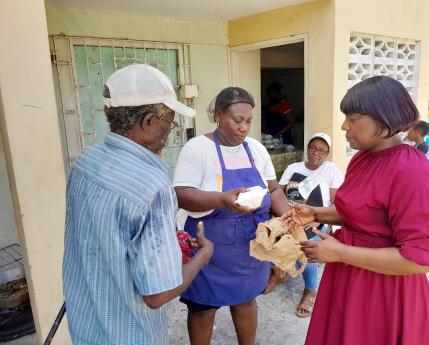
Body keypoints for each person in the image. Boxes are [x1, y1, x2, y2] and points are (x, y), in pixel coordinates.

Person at [281, 76, 429, 345]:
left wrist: (341, 252)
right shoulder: (362, 159)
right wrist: (317, 213)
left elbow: (420, 259)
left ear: (384, 120)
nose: (345, 127)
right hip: (347, 274)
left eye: (353, 118)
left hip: (384, 288)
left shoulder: (412, 171)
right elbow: (362, 214)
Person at [63, 64, 214, 345]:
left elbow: (106, 239)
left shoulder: (85, 162)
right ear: (147, 121)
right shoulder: (152, 186)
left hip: (85, 323)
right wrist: (202, 257)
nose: (170, 130)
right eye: (169, 121)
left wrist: (169, 244)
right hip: (129, 333)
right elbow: (157, 295)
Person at [173, 87, 289, 345]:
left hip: (250, 245)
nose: (244, 127)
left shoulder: (256, 150)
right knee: (202, 307)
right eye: (237, 120)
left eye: (248, 121)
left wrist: (290, 217)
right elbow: (182, 194)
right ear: (218, 115)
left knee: (246, 299)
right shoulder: (198, 149)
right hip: (209, 245)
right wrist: (222, 200)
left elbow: (273, 189)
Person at [278, 132, 344, 318]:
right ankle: (279, 272)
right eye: (313, 147)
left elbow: (337, 203)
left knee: (306, 244)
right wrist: (283, 213)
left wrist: (319, 219)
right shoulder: (294, 167)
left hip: (316, 219)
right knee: (271, 236)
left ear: (327, 154)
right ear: (307, 148)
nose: (316, 152)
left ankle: (310, 290)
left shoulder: (330, 170)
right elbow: (279, 192)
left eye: (322, 150)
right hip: (289, 214)